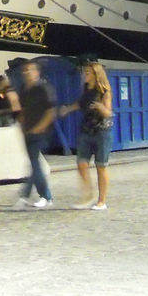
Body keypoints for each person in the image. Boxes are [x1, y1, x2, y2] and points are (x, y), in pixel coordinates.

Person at [59, 61, 114, 210]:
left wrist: (100, 107)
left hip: (101, 131)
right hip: (86, 129)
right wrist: (67, 109)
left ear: (96, 75)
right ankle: (88, 193)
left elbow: (109, 113)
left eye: (88, 73)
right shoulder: (86, 89)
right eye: (85, 72)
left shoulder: (104, 92)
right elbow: (80, 104)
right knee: (81, 163)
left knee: (100, 166)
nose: (85, 75)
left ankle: (101, 201)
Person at [14, 61, 55, 208]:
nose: (26, 73)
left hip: (41, 132)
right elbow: (23, 109)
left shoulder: (44, 89)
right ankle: (44, 196)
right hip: (28, 131)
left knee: (34, 164)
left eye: (30, 70)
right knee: (33, 164)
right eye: (24, 71)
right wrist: (22, 124)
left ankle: (38, 196)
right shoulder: (24, 89)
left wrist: (39, 128)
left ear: (37, 72)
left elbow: (51, 111)